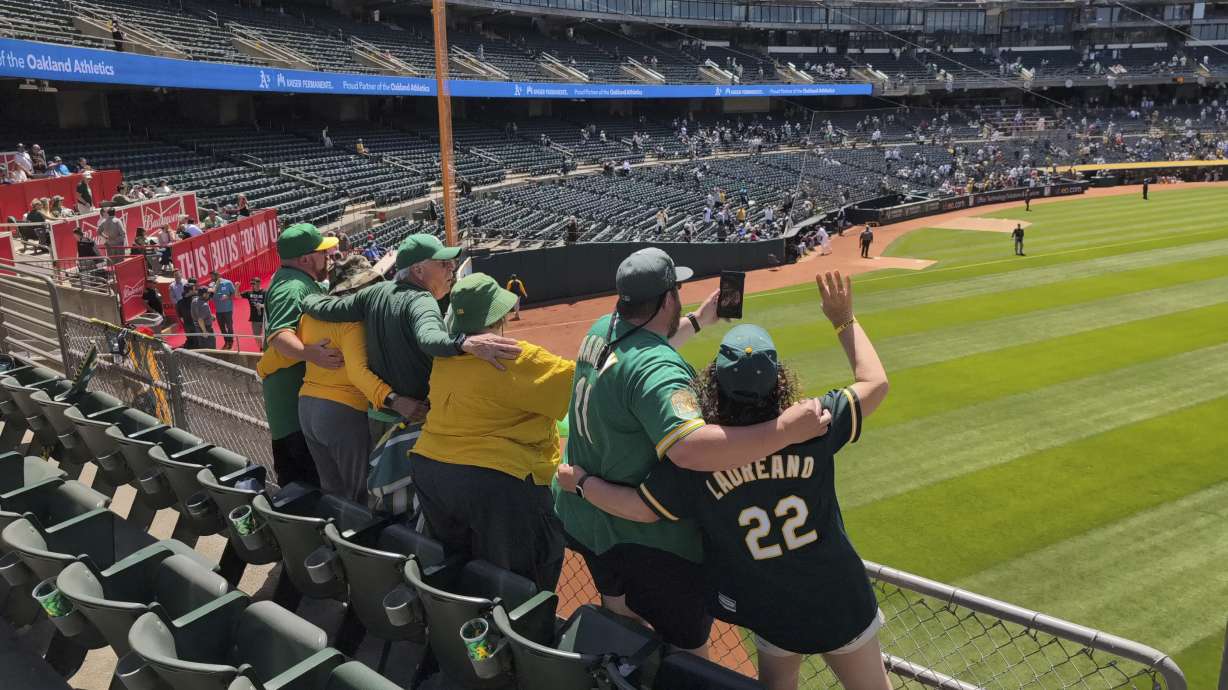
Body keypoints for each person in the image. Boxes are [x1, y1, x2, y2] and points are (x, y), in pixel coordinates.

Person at [558, 272, 890, 690]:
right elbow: (876, 383)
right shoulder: (814, 423)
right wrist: (844, 320)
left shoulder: (698, 459)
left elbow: (638, 508)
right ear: (779, 380)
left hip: (769, 607)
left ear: (713, 382)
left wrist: (582, 482)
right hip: (839, 598)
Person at [410, 273, 574, 591]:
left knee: (461, 572)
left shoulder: (446, 357)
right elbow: (582, 386)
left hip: (432, 471)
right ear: (497, 316)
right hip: (494, 483)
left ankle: (472, 637)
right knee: (521, 586)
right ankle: (518, 640)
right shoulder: (513, 353)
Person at [302, 234, 522, 447]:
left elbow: (326, 308)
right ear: (418, 270)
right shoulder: (421, 299)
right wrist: (463, 342)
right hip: (415, 423)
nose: (451, 268)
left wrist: (306, 297)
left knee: (381, 483)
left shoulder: (375, 292)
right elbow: (429, 337)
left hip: (380, 418)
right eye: (443, 263)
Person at [264, 255, 412, 502]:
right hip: (341, 412)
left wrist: (262, 368)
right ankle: (354, 541)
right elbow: (358, 373)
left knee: (331, 491)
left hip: (307, 408)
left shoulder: (311, 317)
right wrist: (394, 400)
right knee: (360, 492)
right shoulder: (354, 322)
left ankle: (334, 538)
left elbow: (280, 352)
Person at [259, 223, 341, 487]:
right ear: (306, 258)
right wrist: (312, 354)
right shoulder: (292, 286)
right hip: (292, 413)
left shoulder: (294, 279)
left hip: (297, 407)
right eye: (322, 252)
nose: (328, 257)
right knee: (303, 491)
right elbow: (280, 336)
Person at [210, 270, 238, 350]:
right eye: (211, 277)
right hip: (218, 311)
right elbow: (210, 295)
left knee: (229, 326)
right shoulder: (211, 285)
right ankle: (226, 341)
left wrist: (228, 297)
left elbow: (234, 294)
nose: (211, 278)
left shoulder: (228, 283)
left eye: (212, 276)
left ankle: (230, 341)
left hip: (228, 309)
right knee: (222, 327)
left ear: (218, 275)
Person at [190, 285, 216, 349]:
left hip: (197, 326)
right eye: (208, 293)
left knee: (202, 345)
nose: (209, 295)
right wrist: (204, 331)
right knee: (211, 345)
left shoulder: (194, 300)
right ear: (204, 294)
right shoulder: (204, 305)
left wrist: (209, 316)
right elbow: (200, 319)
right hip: (205, 328)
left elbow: (198, 314)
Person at [242, 277, 267, 342]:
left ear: (259, 283)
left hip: (265, 319)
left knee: (267, 336)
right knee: (257, 337)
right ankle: (261, 349)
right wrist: (237, 287)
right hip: (255, 319)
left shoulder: (265, 292)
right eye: (251, 284)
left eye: (254, 283)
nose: (252, 285)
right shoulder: (249, 293)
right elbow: (237, 295)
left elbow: (271, 304)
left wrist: (261, 305)